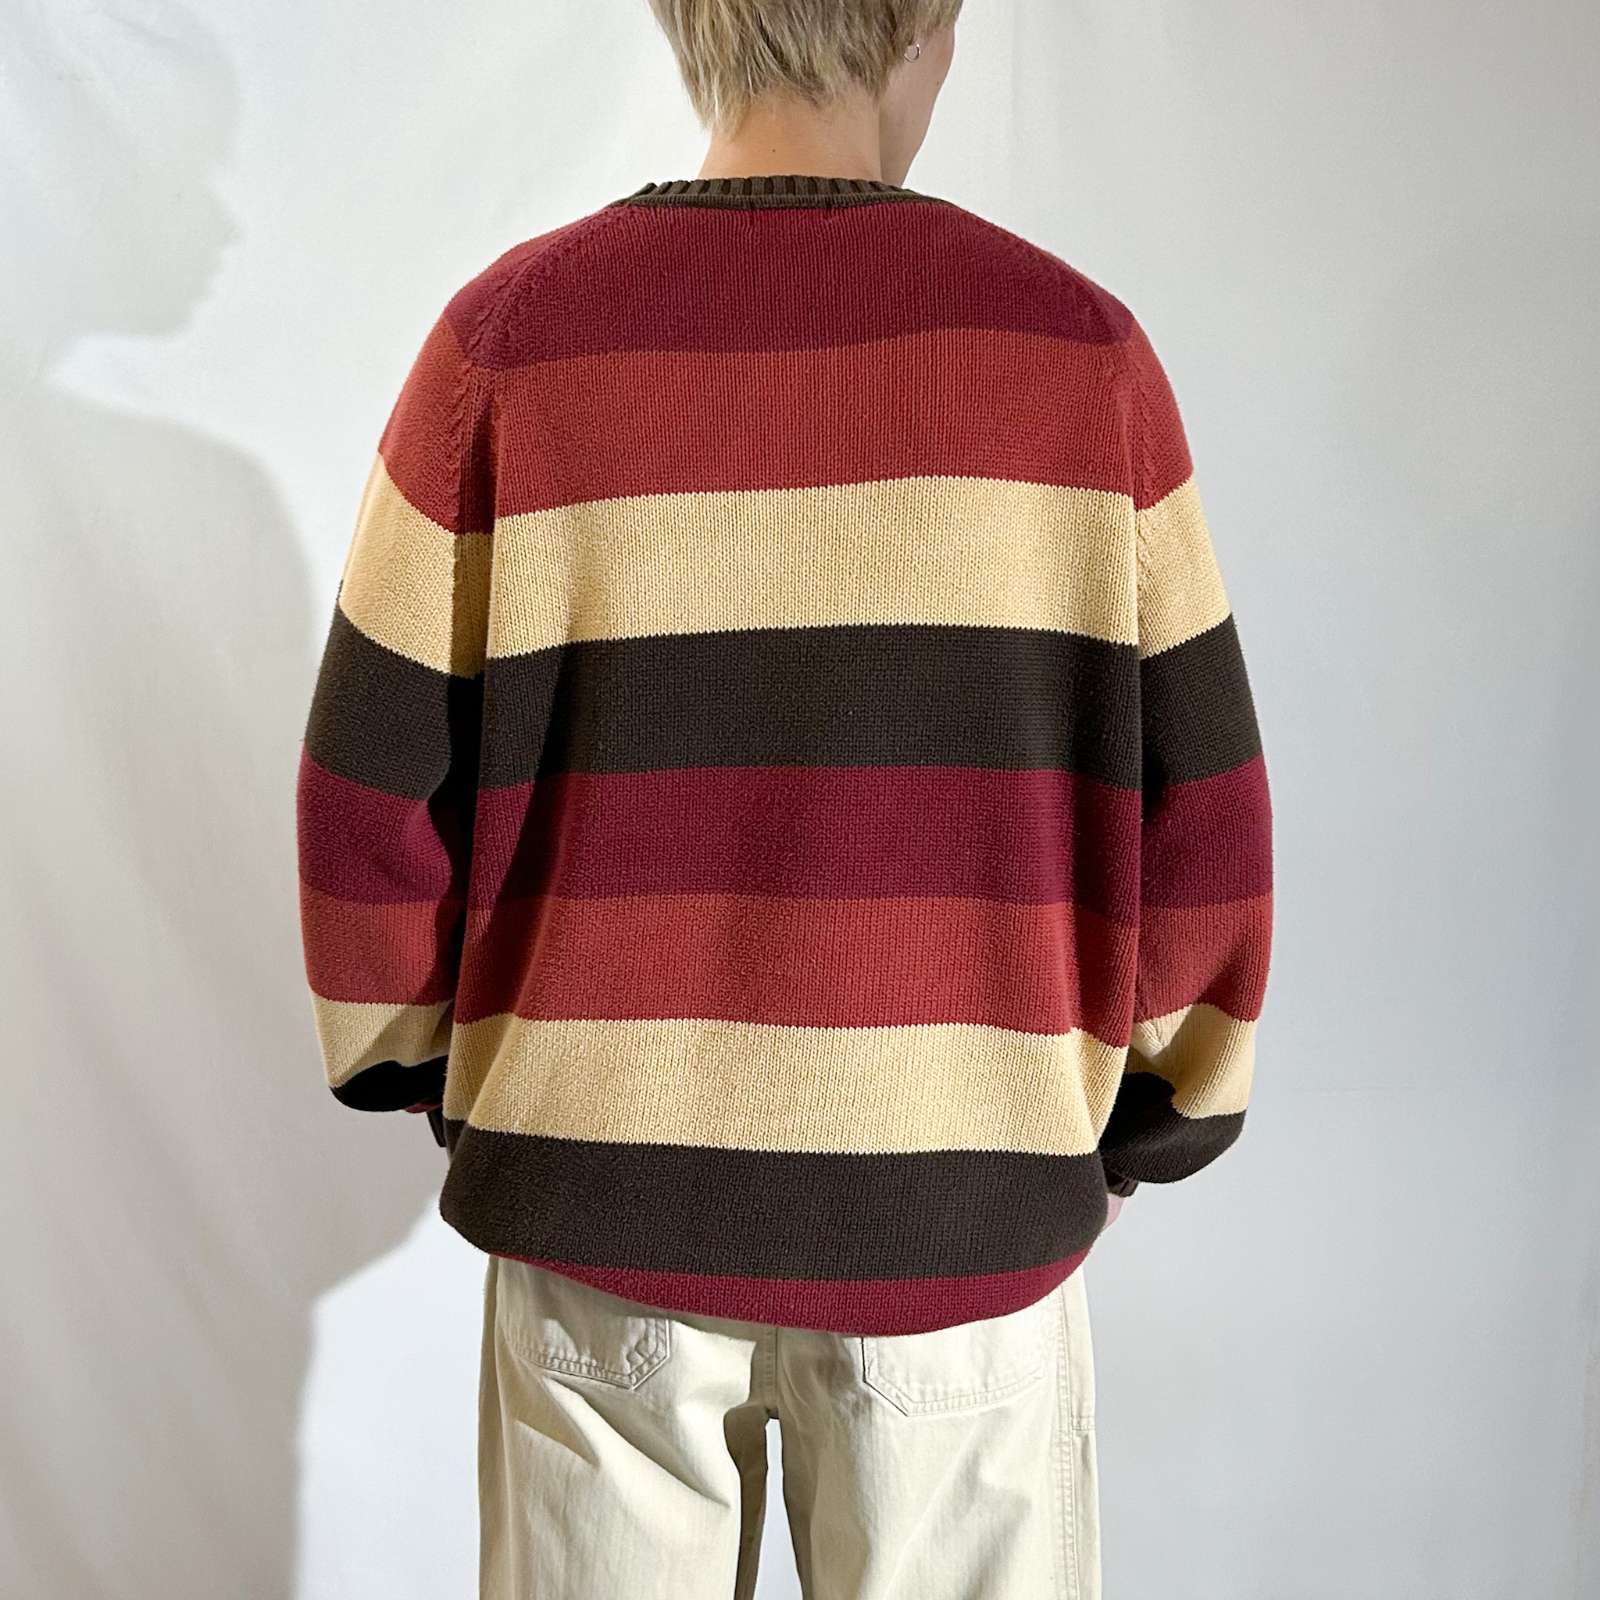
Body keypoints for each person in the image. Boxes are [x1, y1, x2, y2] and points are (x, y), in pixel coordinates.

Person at [293, 3, 1273, 1594]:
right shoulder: (1076, 361)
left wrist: (445, 1072)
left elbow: (364, 788)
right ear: (931, 26)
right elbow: (1204, 811)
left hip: (598, 1211)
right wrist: (1152, 1111)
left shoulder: (512, 344)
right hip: (964, 1219)